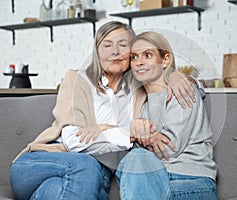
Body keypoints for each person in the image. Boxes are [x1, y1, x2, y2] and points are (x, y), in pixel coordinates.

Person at [10, 21, 201, 200]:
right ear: (97, 51)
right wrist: (128, 133)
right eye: (107, 45)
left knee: (56, 190)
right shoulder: (77, 80)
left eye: (123, 45)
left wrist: (176, 76)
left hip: (96, 178)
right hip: (41, 163)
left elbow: (187, 86)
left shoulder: (139, 87)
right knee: (85, 164)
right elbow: (73, 141)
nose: (115, 52)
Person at [116, 31, 217, 200]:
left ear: (165, 60)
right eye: (134, 57)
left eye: (147, 55)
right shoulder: (139, 102)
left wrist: (137, 136)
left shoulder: (182, 90)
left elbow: (169, 148)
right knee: (133, 166)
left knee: (137, 159)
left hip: (192, 181)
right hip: (149, 178)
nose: (139, 62)